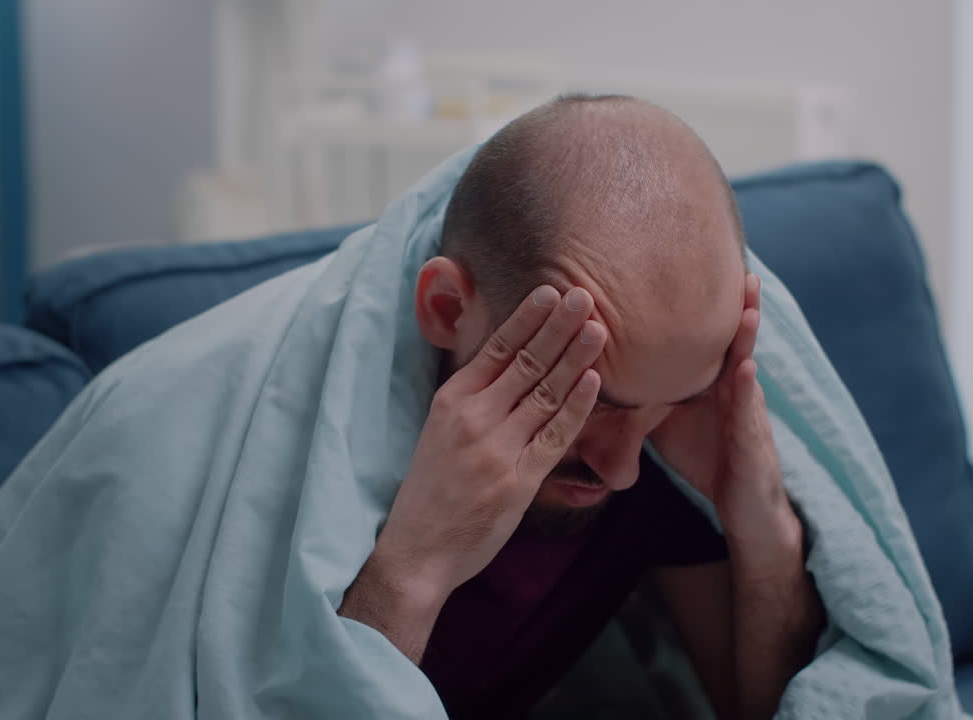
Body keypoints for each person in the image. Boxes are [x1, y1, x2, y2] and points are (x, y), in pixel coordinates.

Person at [337, 94, 825, 719]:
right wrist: (411, 570)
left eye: (673, 401)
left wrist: (766, 529)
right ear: (448, 309)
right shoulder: (330, 451)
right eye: (588, 403)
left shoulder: (668, 443)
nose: (622, 471)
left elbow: (760, 710)